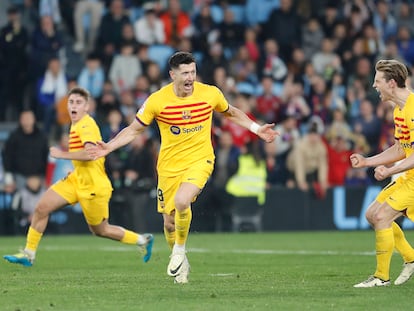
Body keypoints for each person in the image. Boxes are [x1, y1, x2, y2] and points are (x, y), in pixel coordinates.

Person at [88, 52, 277, 284]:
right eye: (185, 73)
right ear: (172, 75)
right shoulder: (157, 100)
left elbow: (232, 112)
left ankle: (178, 250)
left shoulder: (209, 93)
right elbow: (134, 129)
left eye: (193, 72)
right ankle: (181, 260)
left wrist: (257, 129)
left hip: (200, 160)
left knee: (181, 201)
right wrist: (108, 147)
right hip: (168, 167)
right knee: (169, 222)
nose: (190, 78)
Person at [3, 87, 154, 267]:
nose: (74, 106)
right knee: (42, 207)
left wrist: (62, 155)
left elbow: (91, 153)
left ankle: (142, 240)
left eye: (78, 102)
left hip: (93, 186)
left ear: (87, 107)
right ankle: (28, 254)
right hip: (76, 179)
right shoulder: (75, 123)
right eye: (71, 102)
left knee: (100, 230)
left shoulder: (86, 125)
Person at [351, 59, 414, 288]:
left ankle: (381, 277)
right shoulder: (399, 110)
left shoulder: (413, 107)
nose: (374, 86)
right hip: (409, 177)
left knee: (381, 217)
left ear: (392, 83)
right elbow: (401, 149)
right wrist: (367, 161)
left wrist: (390, 170)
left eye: (378, 81)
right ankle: (411, 258)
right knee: (371, 215)